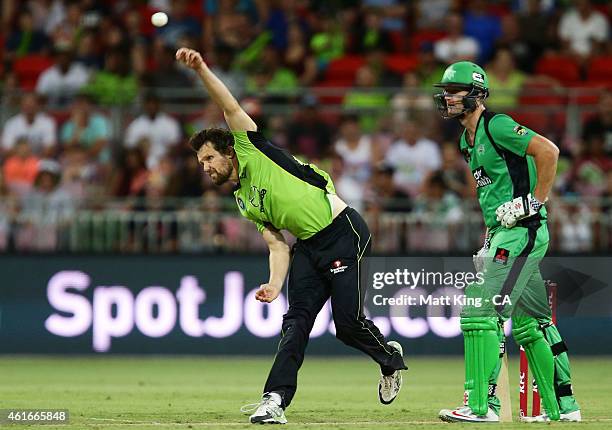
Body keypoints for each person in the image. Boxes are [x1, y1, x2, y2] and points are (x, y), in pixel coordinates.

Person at [175, 47, 407, 425]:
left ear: (229, 153)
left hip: (342, 231)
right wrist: (273, 282)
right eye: (201, 163)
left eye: (210, 158)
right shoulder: (243, 199)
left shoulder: (251, 148)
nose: (205, 167)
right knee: (296, 322)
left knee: (346, 327)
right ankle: (274, 401)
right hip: (307, 248)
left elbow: (229, 105)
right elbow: (276, 244)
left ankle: (389, 358)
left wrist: (201, 69)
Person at [432, 61, 581, 423]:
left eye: (456, 91)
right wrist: (490, 239)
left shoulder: (496, 125)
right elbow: (492, 194)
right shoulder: (465, 141)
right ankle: (563, 407)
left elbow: (548, 151)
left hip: (523, 231)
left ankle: (482, 407)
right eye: (446, 91)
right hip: (505, 233)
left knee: (479, 310)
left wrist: (534, 200)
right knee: (532, 324)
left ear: (477, 93)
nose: (448, 97)